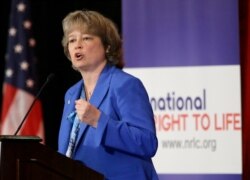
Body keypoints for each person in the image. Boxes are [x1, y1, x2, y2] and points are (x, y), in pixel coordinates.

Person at [57, 9, 158, 180]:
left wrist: (99, 120)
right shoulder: (71, 94)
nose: (77, 45)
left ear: (107, 46)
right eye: (72, 40)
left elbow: (147, 142)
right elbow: (65, 150)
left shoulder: (125, 85)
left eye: (87, 38)